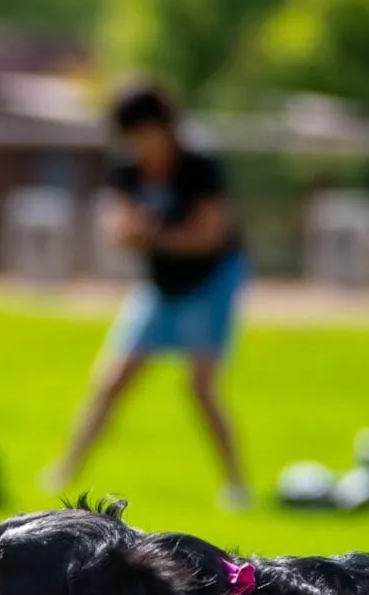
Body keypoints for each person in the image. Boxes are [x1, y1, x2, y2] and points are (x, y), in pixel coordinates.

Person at [49, 83, 251, 506]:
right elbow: (116, 227)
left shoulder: (198, 167)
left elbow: (208, 236)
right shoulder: (129, 171)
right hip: (161, 287)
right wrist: (147, 235)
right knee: (111, 381)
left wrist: (152, 235)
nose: (137, 145)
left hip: (210, 282)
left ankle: (236, 484)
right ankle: (65, 470)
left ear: (162, 127)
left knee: (200, 387)